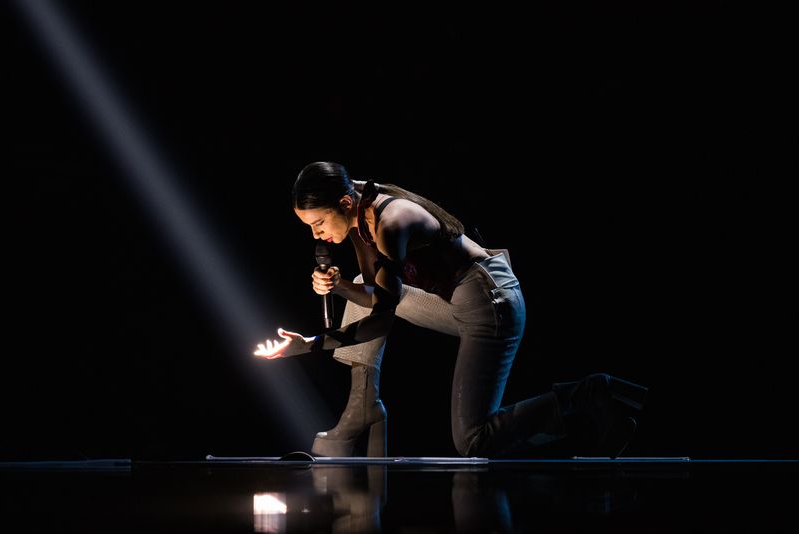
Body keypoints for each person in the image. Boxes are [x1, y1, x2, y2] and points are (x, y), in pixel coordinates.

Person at [255, 161, 647, 458]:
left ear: (344, 203)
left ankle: (591, 394)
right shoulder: (359, 209)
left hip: (490, 302)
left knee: (473, 441)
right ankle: (362, 406)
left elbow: (381, 320)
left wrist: (310, 345)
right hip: (456, 301)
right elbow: (376, 294)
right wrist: (339, 286)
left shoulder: (390, 222)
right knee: (359, 282)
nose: (316, 234)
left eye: (319, 222)